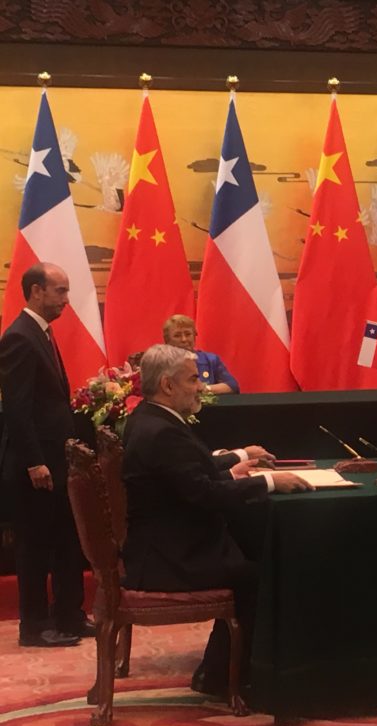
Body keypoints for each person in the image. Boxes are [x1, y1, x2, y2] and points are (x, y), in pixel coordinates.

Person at [121, 344, 311, 695]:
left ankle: (218, 670)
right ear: (167, 385)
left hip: (166, 544)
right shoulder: (162, 431)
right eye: (193, 379)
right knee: (263, 574)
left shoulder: (149, 418)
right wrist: (269, 482)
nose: (201, 387)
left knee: (252, 552)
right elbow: (204, 494)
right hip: (171, 557)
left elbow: (188, 476)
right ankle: (228, 678)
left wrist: (234, 467)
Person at [0, 263, 92, 647]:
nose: (66, 300)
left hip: (57, 461)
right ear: (36, 291)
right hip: (36, 466)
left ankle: (69, 615)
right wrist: (34, 461)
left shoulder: (41, 333)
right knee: (35, 547)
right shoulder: (19, 337)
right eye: (60, 291)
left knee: (66, 540)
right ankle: (35, 627)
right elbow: (17, 409)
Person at [163, 314, 239, 394]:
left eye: (188, 334)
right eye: (177, 336)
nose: (184, 339)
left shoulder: (211, 360)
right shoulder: (160, 363)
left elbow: (232, 386)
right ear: (167, 340)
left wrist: (204, 389)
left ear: (194, 336)